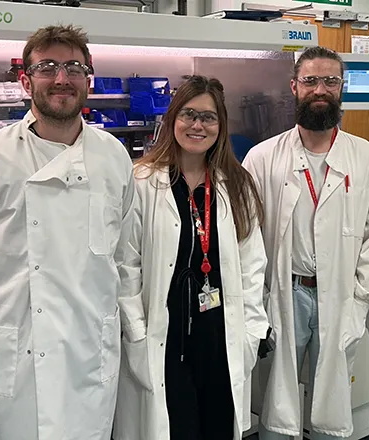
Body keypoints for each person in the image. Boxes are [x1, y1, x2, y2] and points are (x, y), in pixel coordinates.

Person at [0, 25, 135, 440]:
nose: (61, 79)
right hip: (19, 346)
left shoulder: (113, 155)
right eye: (47, 67)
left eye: (74, 68)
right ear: (26, 80)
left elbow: (124, 253)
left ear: (88, 79)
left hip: (90, 347)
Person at [242, 46, 369, 439]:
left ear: (342, 88)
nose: (320, 89)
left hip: (341, 295)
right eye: (311, 80)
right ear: (294, 87)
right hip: (284, 294)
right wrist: (256, 298)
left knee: (332, 398)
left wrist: (361, 299)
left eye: (330, 81)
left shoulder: (366, 157)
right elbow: (247, 236)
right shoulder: (262, 158)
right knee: (279, 398)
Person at [113, 76, 270, 440]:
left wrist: (250, 330)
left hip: (220, 334)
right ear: (172, 120)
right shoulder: (143, 181)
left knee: (217, 423)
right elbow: (126, 266)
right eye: (188, 114)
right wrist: (136, 331)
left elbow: (252, 263)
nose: (198, 125)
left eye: (208, 117)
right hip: (165, 337)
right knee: (175, 425)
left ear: (221, 125)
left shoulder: (237, 183)